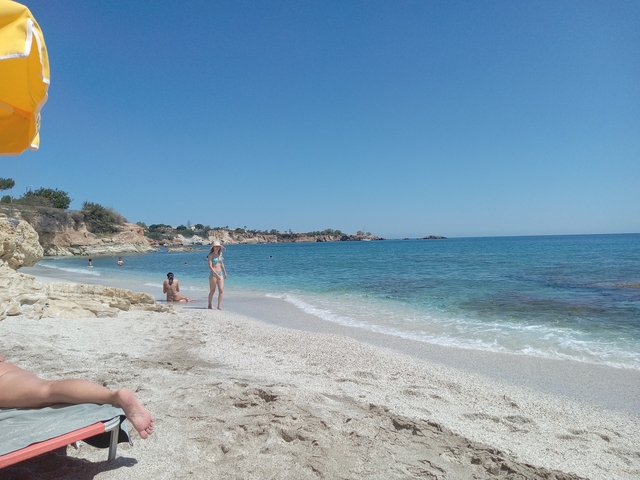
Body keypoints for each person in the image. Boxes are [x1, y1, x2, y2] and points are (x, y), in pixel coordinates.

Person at [0, 353, 153, 439]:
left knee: (47, 391)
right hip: (10, 370)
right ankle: (111, 395)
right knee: (48, 387)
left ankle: (113, 397)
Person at [207, 241, 227, 310]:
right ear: (213, 247)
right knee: (212, 291)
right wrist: (216, 274)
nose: (217, 248)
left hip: (220, 273)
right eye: (216, 246)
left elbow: (221, 264)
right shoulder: (210, 255)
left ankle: (219, 306)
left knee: (221, 290)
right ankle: (210, 304)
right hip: (213, 274)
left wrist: (225, 272)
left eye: (218, 246)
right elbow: (210, 266)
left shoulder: (220, 254)